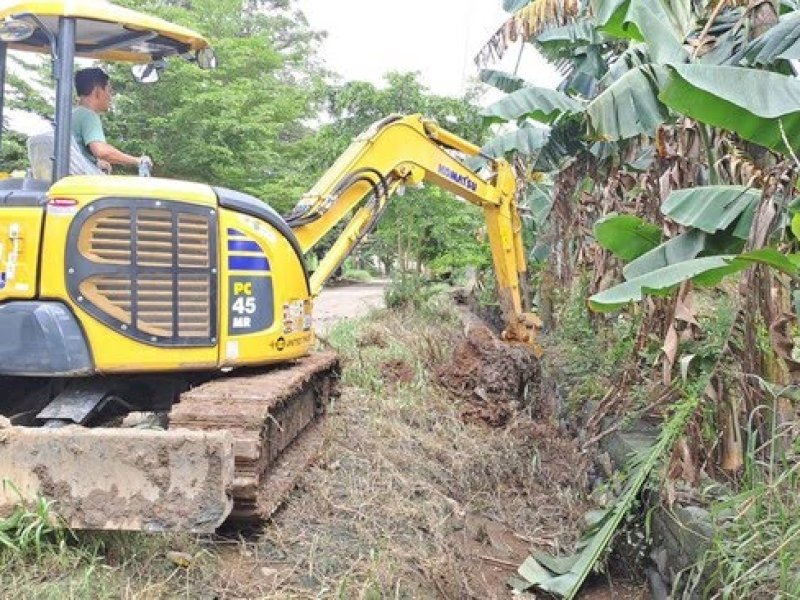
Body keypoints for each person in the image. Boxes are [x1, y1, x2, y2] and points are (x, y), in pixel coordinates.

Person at [72, 67, 152, 175]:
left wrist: (95, 163)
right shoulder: (88, 116)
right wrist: (137, 161)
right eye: (109, 90)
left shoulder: (72, 116)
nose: (110, 96)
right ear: (98, 91)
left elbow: (75, 155)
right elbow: (101, 151)